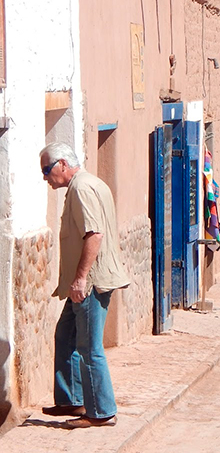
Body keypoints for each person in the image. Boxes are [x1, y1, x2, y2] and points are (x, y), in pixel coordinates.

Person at [39, 142, 130, 428]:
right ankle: (72, 400)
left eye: (47, 170)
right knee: (65, 335)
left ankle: (101, 412)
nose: (45, 177)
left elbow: (94, 234)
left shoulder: (81, 188)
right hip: (83, 282)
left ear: (63, 164)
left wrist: (80, 278)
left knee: (89, 348)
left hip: (90, 282)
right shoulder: (88, 184)